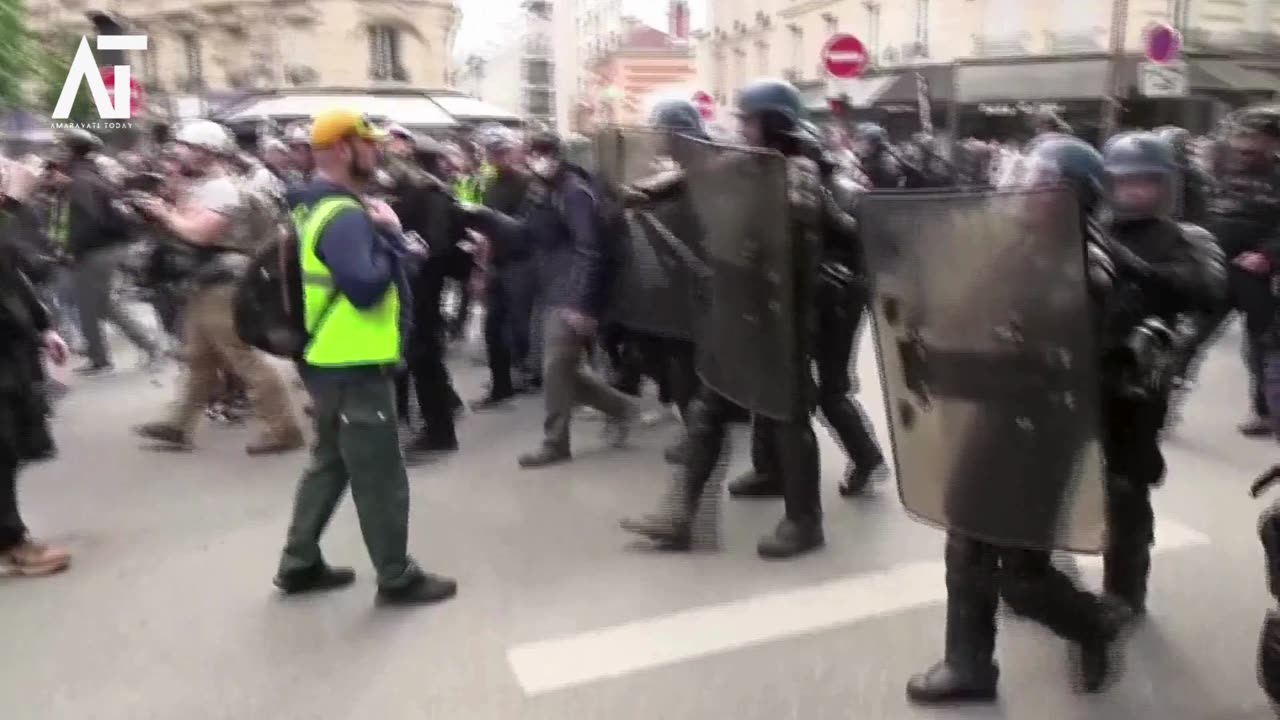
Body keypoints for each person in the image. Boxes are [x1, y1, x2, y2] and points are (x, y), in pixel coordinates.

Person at [904, 135, 1125, 703]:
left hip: (1042, 435)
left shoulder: (1080, 272)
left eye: (1040, 183)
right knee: (967, 538)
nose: (1025, 190)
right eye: (1026, 177)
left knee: (1022, 576)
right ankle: (970, 664)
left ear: (1072, 198)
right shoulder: (1022, 246)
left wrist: (953, 369)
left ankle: (1094, 624)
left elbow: (1040, 372)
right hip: (999, 419)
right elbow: (977, 317)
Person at [621, 79, 830, 559]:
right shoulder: (748, 163)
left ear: (772, 123)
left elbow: (796, 232)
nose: (741, 127)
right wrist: (646, 191)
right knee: (709, 405)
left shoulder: (798, 172)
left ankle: (805, 520)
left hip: (785, 312)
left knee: (787, 415)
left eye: (749, 120)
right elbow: (702, 176)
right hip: (743, 306)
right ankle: (680, 515)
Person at [274, 108, 456, 605]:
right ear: (338, 149)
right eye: (367, 142)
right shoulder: (345, 215)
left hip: (329, 361)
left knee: (329, 464)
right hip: (353, 364)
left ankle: (299, 562)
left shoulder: (315, 206)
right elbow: (365, 289)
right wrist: (395, 237)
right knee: (380, 478)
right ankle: (397, 576)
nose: (379, 150)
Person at [1095, 131, 1226, 618]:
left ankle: (1124, 592)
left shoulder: (1188, 237)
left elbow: (1209, 290)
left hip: (1137, 377)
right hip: (1077, 369)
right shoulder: (1085, 227)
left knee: (1126, 485)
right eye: (1124, 183)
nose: (1135, 192)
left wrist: (1138, 268)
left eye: (1146, 182)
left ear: (1166, 185)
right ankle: (1038, 578)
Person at [729, 118, 887, 500]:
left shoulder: (837, 192)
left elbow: (857, 241)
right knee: (774, 383)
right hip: (803, 296)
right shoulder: (784, 185)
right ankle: (769, 468)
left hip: (835, 299)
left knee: (828, 390)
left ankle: (866, 457)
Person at [131, 120, 304, 455]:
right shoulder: (208, 186)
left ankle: (283, 429)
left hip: (223, 283)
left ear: (207, 152)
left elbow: (200, 234)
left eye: (187, 147)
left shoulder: (222, 189)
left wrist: (163, 213)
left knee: (241, 357)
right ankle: (178, 424)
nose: (179, 154)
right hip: (206, 280)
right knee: (199, 357)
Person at [514, 131, 638, 469]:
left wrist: (581, 303)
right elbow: (533, 234)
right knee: (563, 370)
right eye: (532, 152)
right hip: (554, 287)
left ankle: (555, 442)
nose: (537, 159)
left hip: (571, 293)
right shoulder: (544, 191)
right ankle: (623, 408)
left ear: (558, 155)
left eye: (544, 153)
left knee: (555, 368)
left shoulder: (574, 192)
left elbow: (590, 249)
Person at [0, 171, 72, 576]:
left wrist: (42, 327)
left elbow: (17, 275)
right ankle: (11, 542)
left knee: (8, 447)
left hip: (12, 353)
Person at [58, 128, 162, 375]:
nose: (58, 153)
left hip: (95, 251)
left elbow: (88, 222)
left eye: (61, 148)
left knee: (87, 305)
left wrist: (73, 250)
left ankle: (100, 359)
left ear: (72, 151)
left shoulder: (80, 181)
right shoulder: (91, 175)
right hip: (106, 248)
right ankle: (150, 344)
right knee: (104, 305)